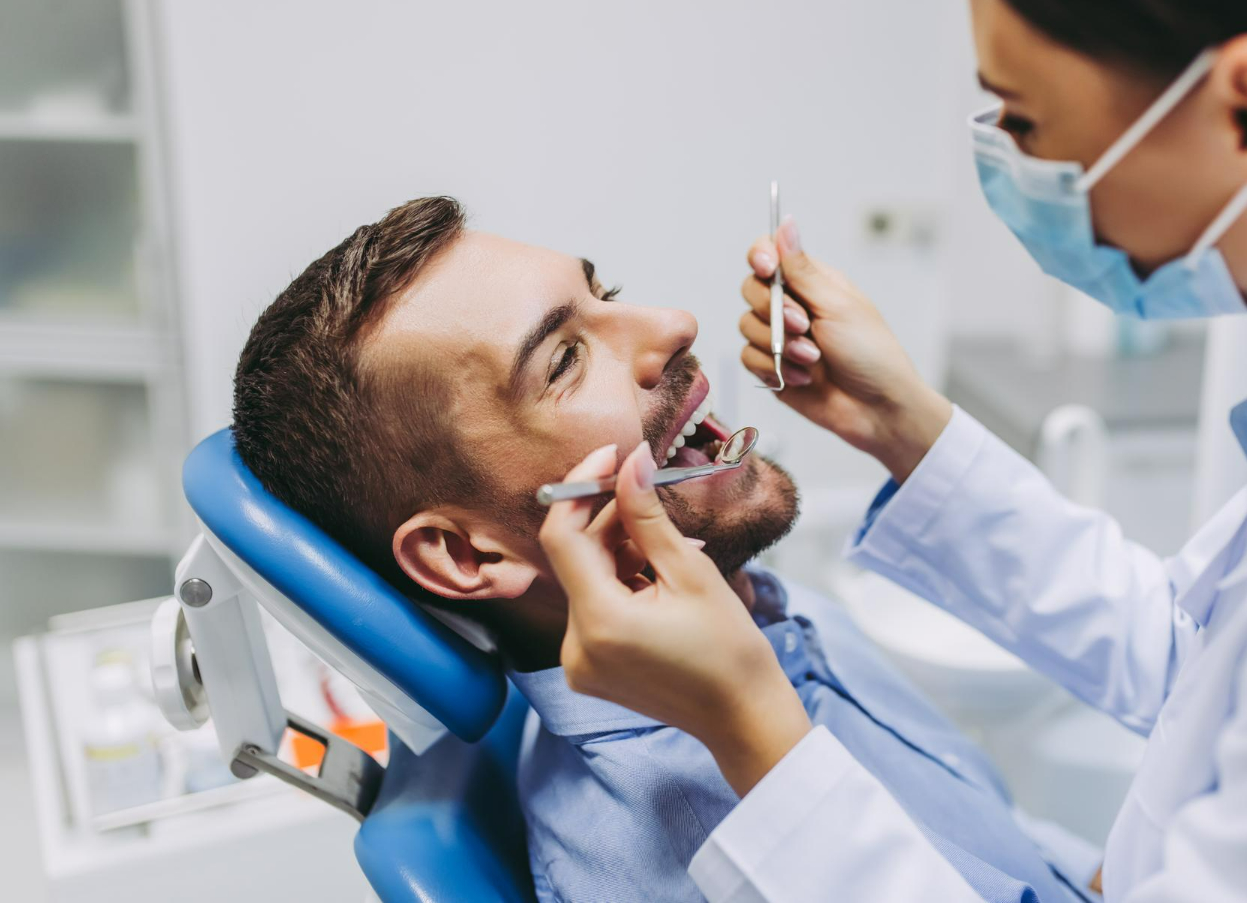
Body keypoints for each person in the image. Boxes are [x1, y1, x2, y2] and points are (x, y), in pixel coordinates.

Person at [536, 0, 1247, 900]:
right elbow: (1206, 666)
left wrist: (751, 724)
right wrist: (905, 426)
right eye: (562, 354)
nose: (675, 324)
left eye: (1026, 121)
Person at [230, 196, 1079, 903]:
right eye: (565, 358)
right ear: (467, 555)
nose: (676, 325)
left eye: (608, 292)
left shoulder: (759, 606)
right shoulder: (633, 867)